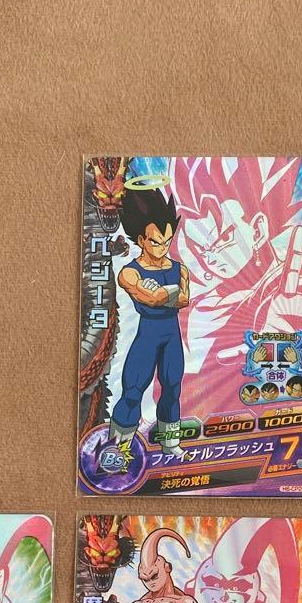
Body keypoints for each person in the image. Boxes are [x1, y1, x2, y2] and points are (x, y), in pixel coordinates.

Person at [109, 185, 190, 456]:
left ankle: (171, 444)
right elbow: (151, 299)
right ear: (141, 239)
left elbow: (183, 300)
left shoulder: (180, 269)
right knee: (133, 391)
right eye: (156, 242)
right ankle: (118, 449)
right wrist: (164, 295)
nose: (163, 247)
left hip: (171, 337)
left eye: (167, 240)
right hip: (148, 337)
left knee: (172, 388)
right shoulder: (129, 272)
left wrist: (161, 294)